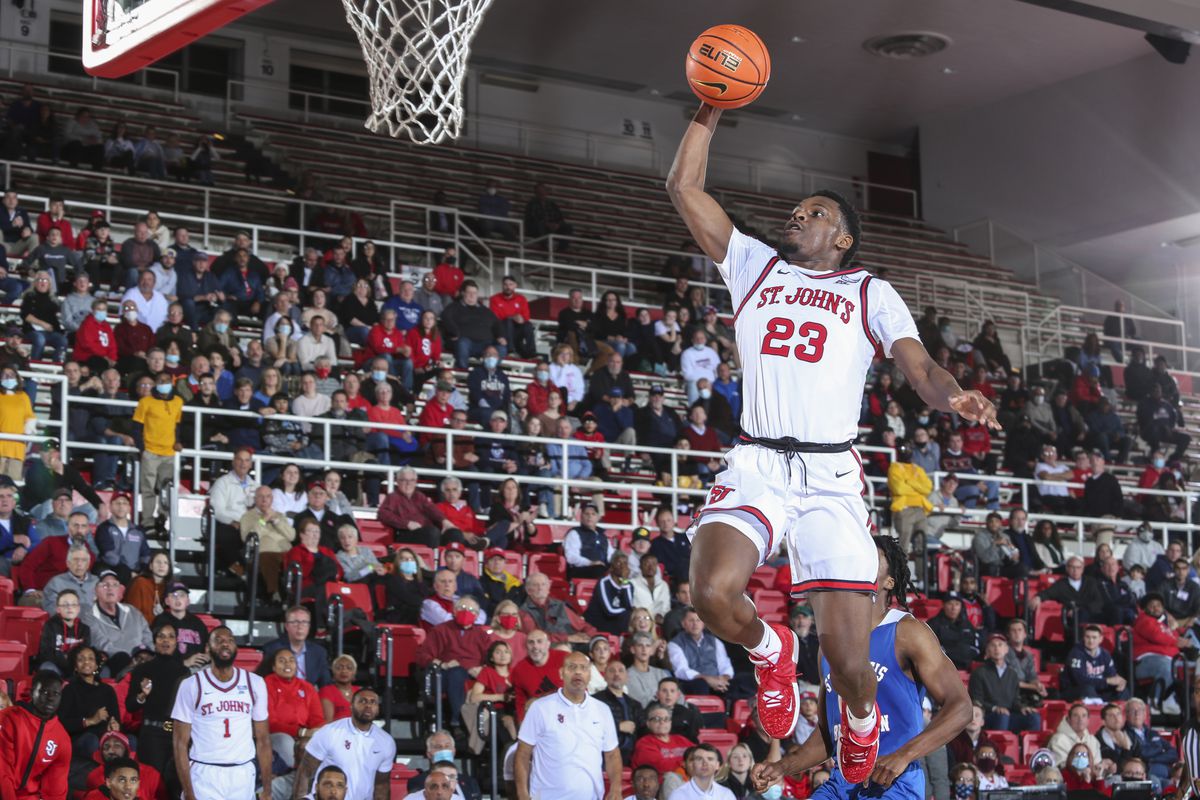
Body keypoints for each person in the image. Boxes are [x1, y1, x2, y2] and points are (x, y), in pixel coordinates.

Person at [672, 112, 998, 757]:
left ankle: (857, 718)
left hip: (830, 478)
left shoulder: (870, 290)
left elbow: (921, 367)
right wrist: (708, 113)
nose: (797, 216)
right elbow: (685, 189)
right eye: (796, 210)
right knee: (710, 594)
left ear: (842, 237)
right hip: (758, 462)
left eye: (814, 212)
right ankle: (773, 650)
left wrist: (952, 395)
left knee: (852, 668)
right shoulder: (755, 266)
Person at [751, 536, 972, 799]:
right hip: (841, 782)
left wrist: (904, 755)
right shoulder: (830, 643)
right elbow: (828, 732)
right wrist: (782, 766)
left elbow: (961, 707)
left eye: (871, 558)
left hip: (893, 783)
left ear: (889, 582)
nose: (860, 562)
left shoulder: (907, 631)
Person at [171, 626, 272, 800]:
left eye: (230, 640)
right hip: (204, 773)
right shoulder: (191, 685)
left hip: (242, 773)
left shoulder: (255, 683)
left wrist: (267, 790)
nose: (225, 644)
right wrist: (188, 792)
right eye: (219, 640)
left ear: (236, 648)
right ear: (208, 648)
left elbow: (263, 740)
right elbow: (180, 743)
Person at [514, 651, 622, 800]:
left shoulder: (602, 710)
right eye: (572, 667)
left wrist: (616, 788)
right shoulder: (540, 708)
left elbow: (612, 755)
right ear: (561, 673)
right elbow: (522, 754)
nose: (578, 672)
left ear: (590, 675)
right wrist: (522, 794)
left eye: (583, 668)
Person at [291, 688, 396, 800]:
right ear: (351, 705)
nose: (368, 705)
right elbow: (305, 773)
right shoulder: (329, 732)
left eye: (373, 702)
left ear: (378, 709)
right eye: (363, 701)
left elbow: (381, 786)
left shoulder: (386, 742)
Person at [414, 595, 492, 725]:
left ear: (477, 615)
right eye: (462, 608)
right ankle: (459, 720)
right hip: (445, 674)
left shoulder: (481, 635)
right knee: (457, 672)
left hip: (474, 674)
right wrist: (442, 664)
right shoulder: (440, 630)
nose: (467, 611)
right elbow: (422, 656)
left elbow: (490, 659)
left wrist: (482, 669)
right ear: (454, 611)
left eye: (472, 610)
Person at [0, 670, 71, 800]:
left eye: (56, 693)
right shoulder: (8, 719)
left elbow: (55, 790)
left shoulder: (62, 738)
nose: (50, 698)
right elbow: (3, 771)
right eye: (44, 692)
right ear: (32, 692)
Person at [86, 569, 153, 676]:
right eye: (105, 585)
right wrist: (131, 660)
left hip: (141, 659)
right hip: (114, 662)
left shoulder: (133, 611)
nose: (110, 588)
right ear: (96, 590)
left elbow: (147, 637)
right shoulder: (89, 616)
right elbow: (101, 644)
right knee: (120, 658)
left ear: (120, 590)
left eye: (114, 585)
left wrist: (147, 654)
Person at [968, 633, 1041, 732]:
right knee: (1002, 716)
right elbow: (976, 701)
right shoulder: (979, 673)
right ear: (988, 651)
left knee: (1034, 717)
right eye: (993, 645)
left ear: (1006, 649)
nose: (997, 648)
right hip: (988, 716)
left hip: (1008, 715)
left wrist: (1022, 708)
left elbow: (1015, 701)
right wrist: (994, 708)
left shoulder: (1012, 674)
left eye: (1000, 645)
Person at [263, 606, 333, 688]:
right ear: (287, 626)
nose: (300, 627)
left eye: (304, 622)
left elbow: (326, 686)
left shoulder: (319, 652)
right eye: (295, 622)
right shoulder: (272, 649)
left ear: (309, 626)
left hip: (308, 698)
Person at [510, 630, 567, 721]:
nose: (535, 646)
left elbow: (581, 690)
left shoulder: (565, 659)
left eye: (539, 641)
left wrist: (539, 699)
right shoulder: (519, 669)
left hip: (570, 714)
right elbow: (520, 704)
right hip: (542, 719)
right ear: (526, 646)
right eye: (531, 642)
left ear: (548, 644)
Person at [1062, 625, 1128, 702]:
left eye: (1094, 637)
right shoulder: (1076, 653)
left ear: (1100, 639)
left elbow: (1111, 675)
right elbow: (1080, 681)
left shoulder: (1105, 654)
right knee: (1088, 689)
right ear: (1083, 638)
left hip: (1098, 690)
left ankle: (1116, 711)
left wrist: (1119, 681)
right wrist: (1107, 681)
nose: (1091, 641)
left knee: (1123, 691)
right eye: (1088, 637)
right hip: (1075, 690)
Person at [584, 552, 635, 636]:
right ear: (611, 567)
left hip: (616, 621)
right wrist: (628, 611)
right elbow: (609, 610)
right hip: (598, 620)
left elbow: (628, 605)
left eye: (625, 563)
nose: (622, 566)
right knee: (627, 616)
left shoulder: (628, 585)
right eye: (619, 563)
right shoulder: (604, 582)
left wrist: (625, 581)